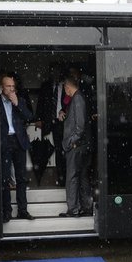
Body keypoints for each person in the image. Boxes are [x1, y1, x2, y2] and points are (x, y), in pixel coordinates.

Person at [0, 73, 34, 223]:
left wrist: (17, 103)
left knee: (21, 178)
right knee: (4, 179)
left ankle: (23, 211)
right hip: (4, 142)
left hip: (19, 142)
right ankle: (7, 212)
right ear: (1, 88)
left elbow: (29, 117)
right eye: (8, 86)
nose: (12, 89)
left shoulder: (21, 101)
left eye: (13, 86)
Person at [59, 76, 92, 217]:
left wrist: (70, 142)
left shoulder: (77, 99)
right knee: (82, 176)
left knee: (72, 177)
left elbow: (80, 126)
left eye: (64, 89)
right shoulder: (80, 97)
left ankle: (73, 209)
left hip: (77, 146)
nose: (64, 92)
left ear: (67, 87)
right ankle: (86, 207)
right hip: (83, 145)